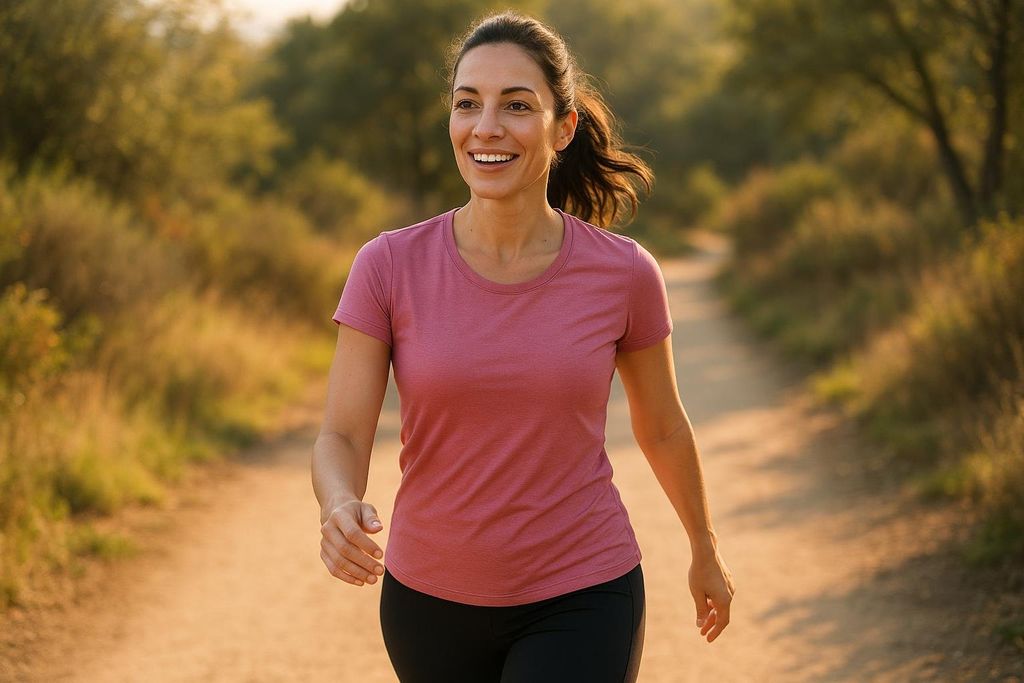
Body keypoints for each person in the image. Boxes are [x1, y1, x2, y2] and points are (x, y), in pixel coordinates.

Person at [311, 10, 735, 682]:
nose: (486, 127)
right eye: (467, 103)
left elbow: (662, 426)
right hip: (428, 600)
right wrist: (338, 503)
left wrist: (703, 547)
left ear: (562, 127)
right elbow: (341, 432)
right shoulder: (387, 265)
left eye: (516, 105)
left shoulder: (623, 272)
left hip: (584, 590)